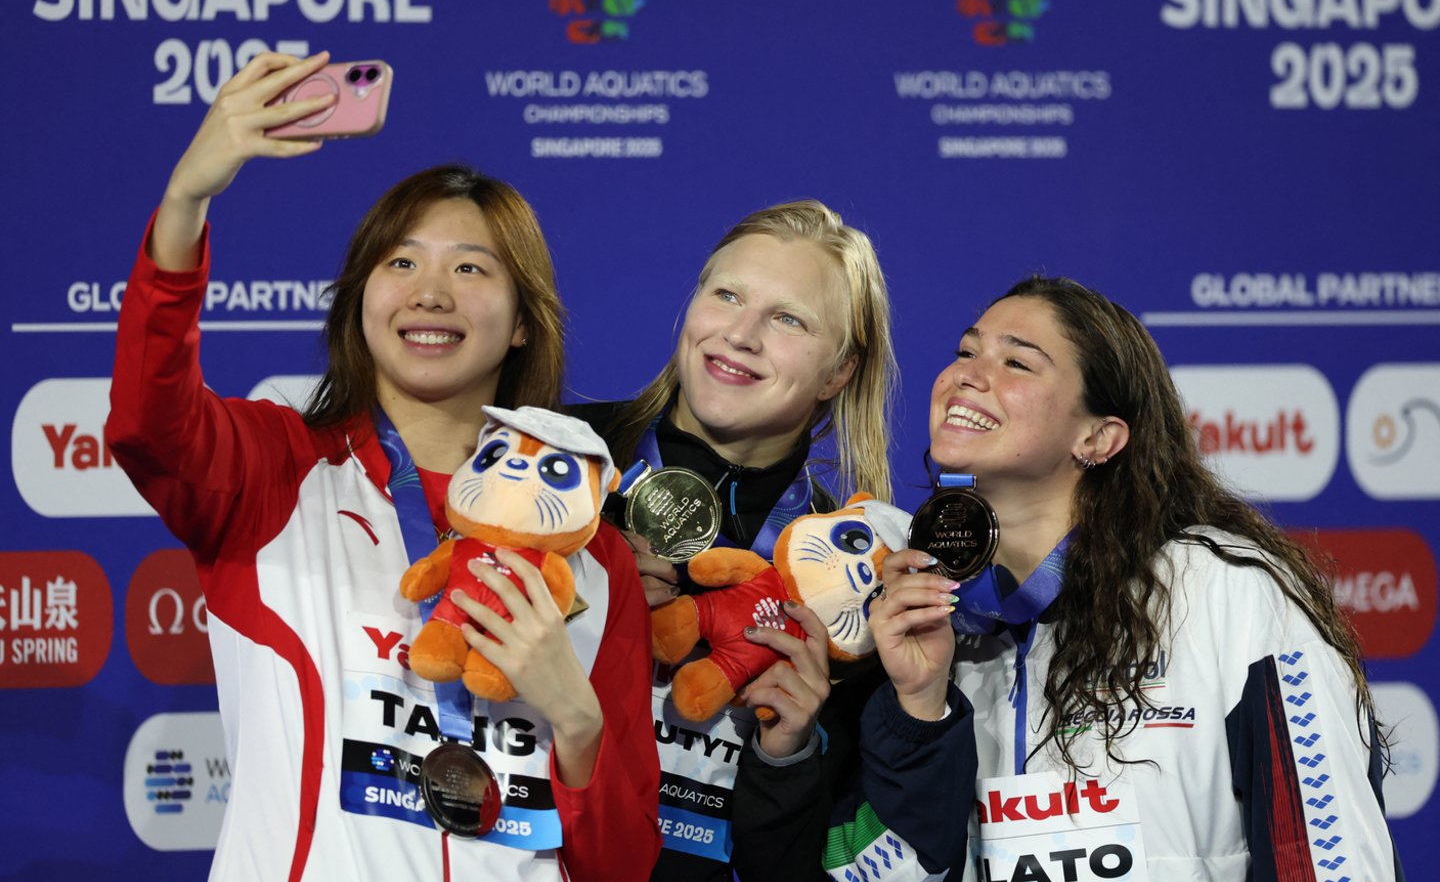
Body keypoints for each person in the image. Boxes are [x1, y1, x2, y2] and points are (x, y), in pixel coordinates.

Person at [105, 51, 659, 881]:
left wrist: (573, 717)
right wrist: (186, 201)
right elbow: (149, 423)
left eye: (470, 268)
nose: (429, 292)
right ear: (359, 299)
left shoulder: (595, 561)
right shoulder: (271, 474)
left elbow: (618, 864)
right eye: (400, 262)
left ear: (520, 324)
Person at [867, 275, 1404, 880]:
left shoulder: (1225, 589)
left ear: (1098, 437)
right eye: (966, 351)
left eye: (1017, 361)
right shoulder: (929, 616)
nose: (967, 373)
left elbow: (1324, 858)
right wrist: (918, 715)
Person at [573, 200, 913, 882]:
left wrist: (786, 756)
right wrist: (584, 604)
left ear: (839, 371)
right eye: (727, 295)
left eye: (788, 318)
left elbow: (791, 868)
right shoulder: (558, 457)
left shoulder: (853, 576)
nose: (741, 334)